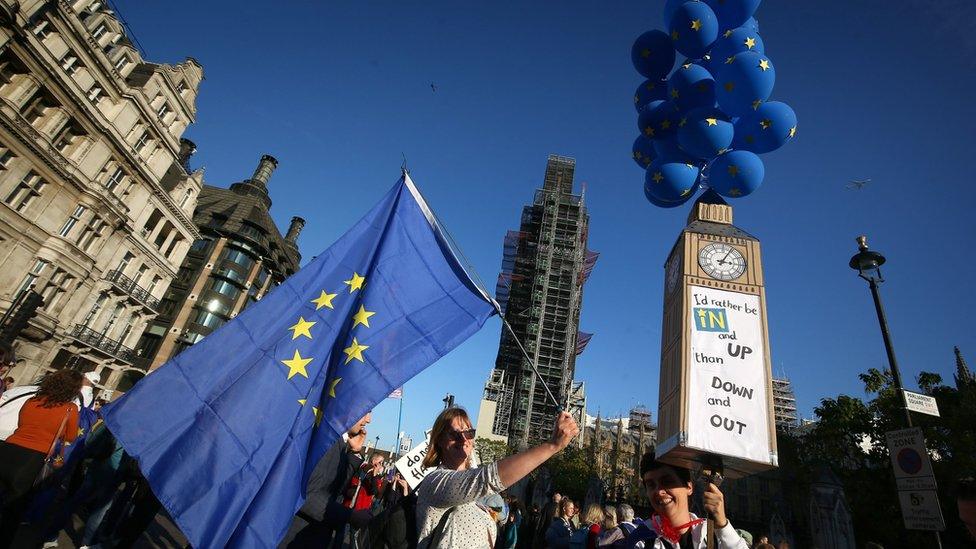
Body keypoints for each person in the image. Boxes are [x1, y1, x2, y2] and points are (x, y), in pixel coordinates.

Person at [415, 407, 579, 549]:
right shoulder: (435, 481)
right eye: (454, 434)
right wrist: (551, 446)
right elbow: (488, 479)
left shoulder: (477, 497)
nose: (464, 439)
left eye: (469, 432)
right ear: (439, 440)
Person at [0, 369, 82, 548]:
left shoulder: (32, 400)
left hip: (8, 449)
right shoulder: (70, 408)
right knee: (13, 509)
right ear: (74, 389)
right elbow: (70, 437)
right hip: (33, 458)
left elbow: (21, 424)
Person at [280, 412, 374, 548]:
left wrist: (354, 453)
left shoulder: (340, 443)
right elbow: (306, 495)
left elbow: (335, 489)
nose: (369, 420)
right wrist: (350, 516)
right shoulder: (327, 441)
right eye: (367, 411)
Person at [622, 453, 749, 549]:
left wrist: (722, 525)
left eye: (667, 482)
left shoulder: (711, 533)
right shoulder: (641, 539)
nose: (659, 491)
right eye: (651, 485)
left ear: (689, 487)